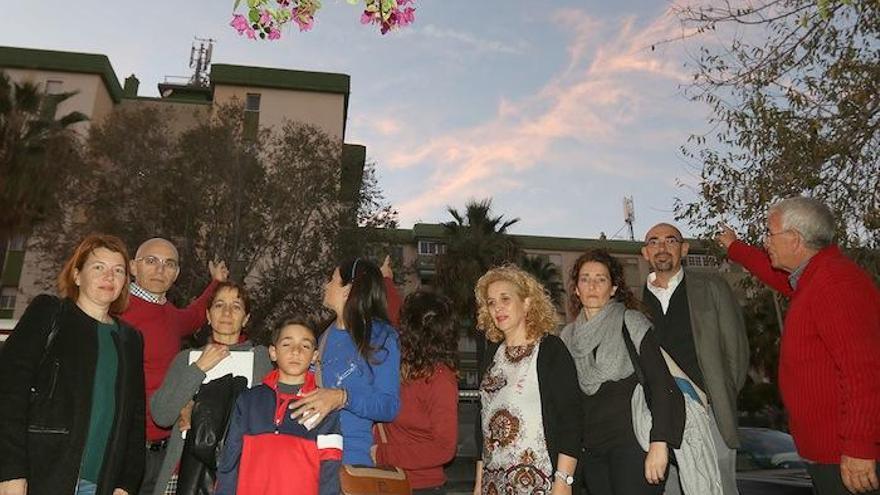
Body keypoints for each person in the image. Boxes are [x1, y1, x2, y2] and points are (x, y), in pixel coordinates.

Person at [717, 196, 880, 495]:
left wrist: (860, 446)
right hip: (827, 454)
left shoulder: (835, 283)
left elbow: (866, 370)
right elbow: (771, 273)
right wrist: (735, 248)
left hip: (847, 457)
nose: (766, 242)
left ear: (794, 239)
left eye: (769, 233)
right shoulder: (814, 280)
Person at [0, 234, 145, 495]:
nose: (109, 277)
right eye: (98, 267)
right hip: (39, 475)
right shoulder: (49, 313)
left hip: (101, 483)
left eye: (118, 270)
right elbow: (9, 393)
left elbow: (135, 417)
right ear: (77, 275)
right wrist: (10, 472)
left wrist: (126, 483)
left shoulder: (130, 339)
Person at [560, 249, 685, 495]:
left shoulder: (631, 323)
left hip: (635, 446)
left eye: (601, 279)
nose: (592, 285)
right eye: (585, 279)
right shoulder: (566, 338)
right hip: (592, 452)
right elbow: (567, 402)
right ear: (576, 288)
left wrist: (659, 443)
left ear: (614, 288)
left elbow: (661, 384)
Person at [640, 223, 748, 495]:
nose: (662, 248)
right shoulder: (634, 302)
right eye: (654, 242)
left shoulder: (711, 287)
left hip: (709, 413)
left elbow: (736, 351)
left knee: (718, 488)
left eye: (670, 240)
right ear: (645, 253)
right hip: (658, 421)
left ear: (684, 248)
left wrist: (719, 395)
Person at [120, 238, 228, 495]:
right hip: (125, 448)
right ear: (133, 267)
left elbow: (194, 316)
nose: (160, 269)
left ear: (176, 273)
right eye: (151, 261)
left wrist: (217, 283)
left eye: (169, 264)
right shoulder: (117, 311)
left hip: (164, 450)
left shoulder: (170, 315)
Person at [149, 282, 272, 495]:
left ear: (246, 318)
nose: (226, 312)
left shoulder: (258, 358)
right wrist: (198, 369)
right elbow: (161, 415)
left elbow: (266, 420)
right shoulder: (186, 359)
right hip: (182, 476)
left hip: (235, 476)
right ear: (208, 315)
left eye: (236, 306)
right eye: (219, 305)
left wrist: (198, 409)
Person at [473, 265, 582, 495]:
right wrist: (478, 484)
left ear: (526, 303)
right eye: (491, 302)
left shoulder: (551, 350)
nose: (497, 308)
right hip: (494, 483)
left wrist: (564, 481)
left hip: (539, 481)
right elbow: (482, 424)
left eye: (505, 299)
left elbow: (571, 419)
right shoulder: (492, 355)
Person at [288, 258, 401, 466]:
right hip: (308, 457)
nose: (326, 285)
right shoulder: (322, 336)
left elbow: (389, 406)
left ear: (348, 290)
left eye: (332, 279)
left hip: (350, 462)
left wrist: (343, 398)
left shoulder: (381, 337)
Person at [216, 319, 342, 495]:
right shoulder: (248, 400)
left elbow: (330, 468)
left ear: (315, 356)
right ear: (273, 352)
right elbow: (230, 460)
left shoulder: (324, 406)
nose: (296, 351)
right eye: (287, 344)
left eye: (305, 346)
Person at [373, 290, 459, 494]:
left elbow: (444, 448)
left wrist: (382, 454)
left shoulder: (439, 379)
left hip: (422, 487)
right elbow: (392, 313)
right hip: (386, 481)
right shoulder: (399, 367)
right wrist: (386, 281)